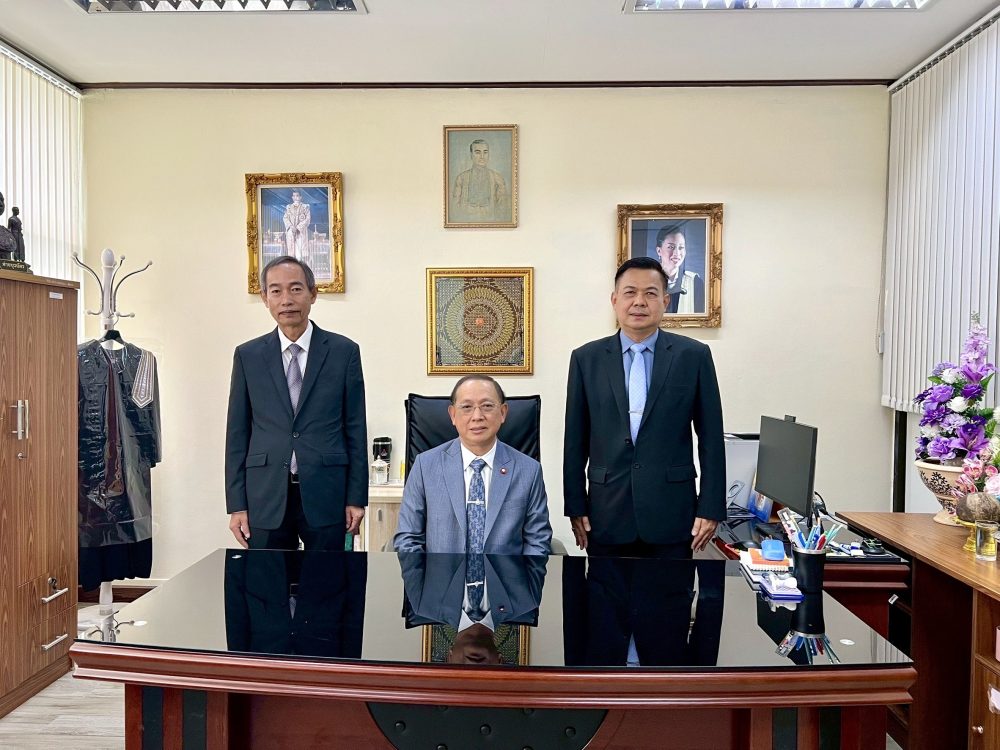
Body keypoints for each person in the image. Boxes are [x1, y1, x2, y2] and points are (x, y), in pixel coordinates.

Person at [563, 256, 725, 558]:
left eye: (650, 293)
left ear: (665, 301)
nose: (639, 302)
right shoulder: (586, 359)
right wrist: (575, 505)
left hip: (673, 512)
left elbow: (712, 438)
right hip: (605, 512)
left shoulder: (693, 356)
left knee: (672, 589)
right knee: (603, 589)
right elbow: (575, 440)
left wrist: (711, 507)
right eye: (630, 292)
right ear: (615, 300)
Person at [225, 256, 367, 551]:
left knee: (327, 577)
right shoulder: (248, 356)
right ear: (265, 298)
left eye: (296, 289)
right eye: (276, 291)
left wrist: (356, 498)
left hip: (327, 492)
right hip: (265, 494)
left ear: (313, 294)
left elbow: (355, 429)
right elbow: (237, 434)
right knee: (267, 578)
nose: (286, 300)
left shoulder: (343, 352)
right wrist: (237, 504)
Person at [393, 375, 552, 555]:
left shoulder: (529, 471)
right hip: (441, 573)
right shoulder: (424, 466)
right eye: (467, 407)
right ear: (453, 415)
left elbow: (537, 542)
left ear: (503, 412)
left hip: (507, 573)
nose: (477, 416)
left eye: (487, 406)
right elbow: (408, 539)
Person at [450, 139, 510, 223]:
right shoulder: (461, 178)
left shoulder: (497, 179)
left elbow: (502, 209)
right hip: (466, 223)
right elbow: (455, 208)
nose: (482, 156)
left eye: (485, 152)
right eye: (477, 152)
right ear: (471, 155)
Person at [654, 224, 705, 315]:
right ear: (659, 251)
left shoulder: (695, 282)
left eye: (681, 248)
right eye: (671, 247)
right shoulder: (646, 280)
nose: (677, 253)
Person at [283, 190, 311, 261]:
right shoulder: (289, 207)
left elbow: (307, 219)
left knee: (300, 250)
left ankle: (300, 263)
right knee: (291, 250)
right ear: (292, 197)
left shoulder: (305, 207)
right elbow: (285, 218)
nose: (295, 197)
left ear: (300, 197)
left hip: (301, 231)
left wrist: (298, 228)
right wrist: (291, 226)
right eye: (294, 196)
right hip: (291, 231)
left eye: (297, 196)